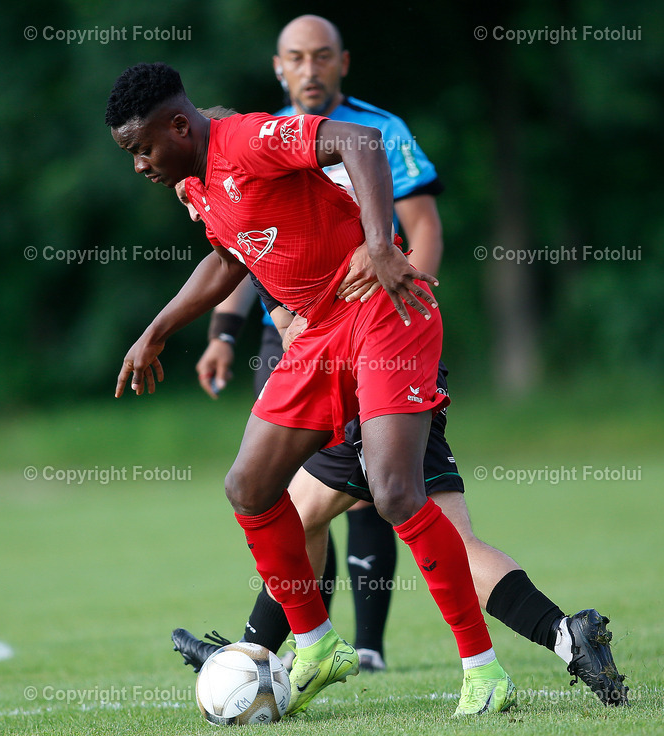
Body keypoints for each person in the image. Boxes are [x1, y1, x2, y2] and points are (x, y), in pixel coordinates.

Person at [107, 61, 516, 716]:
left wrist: (381, 242)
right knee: (248, 485)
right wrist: (158, 329)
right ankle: (317, 642)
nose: (139, 165)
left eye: (143, 148)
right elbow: (225, 259)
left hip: (386, 310)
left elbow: (359, 143)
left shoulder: (245, 140)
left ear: (180, 125)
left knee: (394, 491)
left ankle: (483, 669)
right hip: (323, 334)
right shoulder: (199, 184)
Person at [173, 169, 629, 708]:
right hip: (396, 365)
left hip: (372, 372)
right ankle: (564, 635)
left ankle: (261, 657)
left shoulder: (270, 196)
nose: (193, 210)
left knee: (288, 511)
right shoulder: (258, 214)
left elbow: (302, 316)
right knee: (373, 527)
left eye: (188, 193)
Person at [195, 15, 446, 670]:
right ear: (279, 67)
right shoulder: (253, 137)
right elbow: (243, 252)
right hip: (289, 335)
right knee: (290, 488)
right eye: (296, 59)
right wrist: (223, 333)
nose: (310, 70)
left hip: (370, 319)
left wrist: (405, 295)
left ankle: (358, 646)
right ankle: (286, 644)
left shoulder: (380, 130)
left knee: (367, 486)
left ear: (343, 63)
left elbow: (421, 226)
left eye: (322, 57)